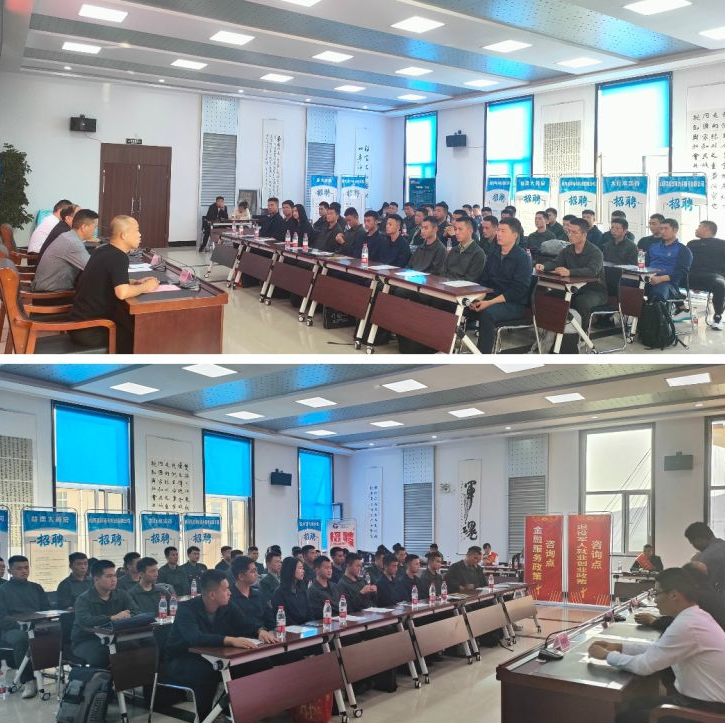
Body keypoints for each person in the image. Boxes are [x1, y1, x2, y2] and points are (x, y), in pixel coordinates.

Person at [588, 568, 725, 723]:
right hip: (701, 702)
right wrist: (620, 647)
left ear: (674, 595)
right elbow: (660, 649)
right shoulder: (695, 617)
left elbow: (644, 666)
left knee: (624, 718)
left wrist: (607, 655)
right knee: (636, 703)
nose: (655, 600)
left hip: (705, 711)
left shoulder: (687, 625)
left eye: (657, 593)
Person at [164, 570, 260, 721]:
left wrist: (260, 631)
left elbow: (245, 624)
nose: (230, 593)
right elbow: (194, 637)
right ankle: (206, 718)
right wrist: (229, 640)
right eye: (226, 589)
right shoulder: (186, 609)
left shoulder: (227, 605)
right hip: (182, 659)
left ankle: (223, 711)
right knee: (207, 672)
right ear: (212, 595)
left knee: (255, 664)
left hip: (212, 656)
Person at [68, 215, 160, 353]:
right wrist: (147, 286)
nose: (140, 235)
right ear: (124, 235)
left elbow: (106, 279)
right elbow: (122, 293)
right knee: (138, 338)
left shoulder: (103, 250)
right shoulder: (119, 256)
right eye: (137, 230)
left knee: (128, 324)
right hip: (90, 329)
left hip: (79, 323)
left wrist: (134, 282)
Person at [469, 217, 532, 354]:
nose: (499, 234)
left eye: (503, 231)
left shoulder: (522, 258)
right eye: (498, 230)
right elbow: (485, 281)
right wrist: (479, 298)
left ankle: (483, 355)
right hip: (491, 297)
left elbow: (517, 291)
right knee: (462, 305)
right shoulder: (494, 254)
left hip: (513, 304)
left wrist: (488, 303)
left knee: (486, 313)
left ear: (515, 235)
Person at [536, 218, 607, 330]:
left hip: (594, 291)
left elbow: (592, 271)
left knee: (581, 302)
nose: (570, 235)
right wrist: (543, 266)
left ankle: (583, 334)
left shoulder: (595, 252)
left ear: (584, 234)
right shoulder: (567, 249)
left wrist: (569, 272)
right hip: (573, 288)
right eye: (569, 232)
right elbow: (556, 262)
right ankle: (552, 330)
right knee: (550, 296)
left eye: (574, 232)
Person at [72, 559, 140, 668]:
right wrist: (112, 618)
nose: (113, 580)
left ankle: (131, 678)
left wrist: (127, 616)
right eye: (108, 576)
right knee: (101, 655)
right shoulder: (84, 599)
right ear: (96, 579)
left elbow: (136, 611)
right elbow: (85, 620)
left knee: (137, 647)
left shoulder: (121, 594)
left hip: (116, 636)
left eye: (114, 576)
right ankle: (102, 678)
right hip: (87, 639)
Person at [0, 555, 50, 698]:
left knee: (57, 632)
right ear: (10, 571)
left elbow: (46, 609)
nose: (24, 571)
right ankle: (28, 680)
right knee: (21, 638)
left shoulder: (36, 587)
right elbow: (2, 618)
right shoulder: (2, 590)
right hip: (12, 629)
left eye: (26, 567)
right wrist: (22, 624)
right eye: (19, 568)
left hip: (36, 625)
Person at [635, 562, 725, 633]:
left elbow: (680, 624)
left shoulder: (699, 596)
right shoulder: (708, 592)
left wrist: (652, 621)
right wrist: (656, 618)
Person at [31, 209, 98, 292]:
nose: (95, 230)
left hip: (44, 286)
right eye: (94, 227)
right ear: (84, 227)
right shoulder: (73, 243)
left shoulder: (67, 236)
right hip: (50, 293)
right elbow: (93, 268)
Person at [687, 220, 725, 331]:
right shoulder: (692, 244)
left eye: (699, 226)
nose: (696, 229)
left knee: (720, 284)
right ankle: (680, 307)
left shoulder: (722, 244)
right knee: (670, 278)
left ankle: (718, 316)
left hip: (714, 276)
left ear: (706, 229)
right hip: (692, 274)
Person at [229, 556, 276, 642]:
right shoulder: (228, 598)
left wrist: (271, 632)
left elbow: (270, 620)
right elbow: (237, 624)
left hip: (264, 638)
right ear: (241, 576)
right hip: (241, 642)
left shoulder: (259, 595)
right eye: (253, 571)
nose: (257, 574)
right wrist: (259, 630)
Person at [645, 218, 693, 302]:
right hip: (649, 279)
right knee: (627, 285)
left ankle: (655, 308)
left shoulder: (683, 250)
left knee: (658, 293)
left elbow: (682, 272)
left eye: (666, 229)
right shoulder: (653, 247)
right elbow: (645, 265)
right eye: (661, 229)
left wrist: (660, 279)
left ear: (675, 230)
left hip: (668, 283)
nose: (663, 232)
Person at [442, 216, 486, 282]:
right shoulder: (453, 250)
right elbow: (443, 271)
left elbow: (471, 279)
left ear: (470, 230)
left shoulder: (478, 253)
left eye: (460, 229)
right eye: (455, 229)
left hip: (464, 287)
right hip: (447, 284)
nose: (456, 232)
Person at [684, 522, 725, 593]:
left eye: (692, 543)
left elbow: (698, 583)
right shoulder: (722, 544)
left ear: (698, 540)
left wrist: (694, 563)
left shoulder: (707, 556)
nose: (694, 546)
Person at [271, 556, 310, 625]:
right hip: (291, 629)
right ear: (290, 569)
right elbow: (284, 618)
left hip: (306, 627)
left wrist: (310, 624)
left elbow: (309, 611)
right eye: (300, 568)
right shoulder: (279, 593)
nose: (303, 571)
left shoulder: (302, 589)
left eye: (303, 568)